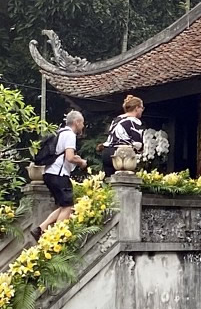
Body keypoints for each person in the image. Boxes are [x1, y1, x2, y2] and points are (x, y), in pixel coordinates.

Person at [33, 110, 87, 240]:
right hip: (59, 175)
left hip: (48, 173)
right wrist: (81, 162)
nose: (83, 126)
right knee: (68, 207)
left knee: (64, 205)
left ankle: (41, 228)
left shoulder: (59, 132)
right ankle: (55, 237)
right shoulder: (70, 135)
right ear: (77, 122)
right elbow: (69, 157)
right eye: (82, 123)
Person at [97, 95, 145, 177]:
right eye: (142, 108)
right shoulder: (134, 121)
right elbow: (138, 144)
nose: (142, 110)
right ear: (137, 108)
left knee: (109, 183)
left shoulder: (116, 119)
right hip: (121, 155)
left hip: (107, 152)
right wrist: (141, 150)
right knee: (124, 182)